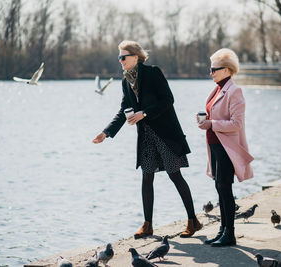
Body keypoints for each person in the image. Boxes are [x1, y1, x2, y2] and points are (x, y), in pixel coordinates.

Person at [93, 40, 202, 239]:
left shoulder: (153, 73)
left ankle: (192, 220)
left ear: (135, 56)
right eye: (119, 57)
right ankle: (148, 225)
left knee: (174, 175)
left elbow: (168, 100)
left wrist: (144, 113)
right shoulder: (126, 82)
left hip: (165, 133)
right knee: (146, 177)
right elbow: (123, 110)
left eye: (123, 57)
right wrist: (106, 132)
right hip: (145, 137)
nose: (121, 61)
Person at [197, 48, 254, 247]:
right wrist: (205, 122)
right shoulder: (217, 89)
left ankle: (230, 234)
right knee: (219, 186)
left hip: (227, 147)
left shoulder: (234, 91)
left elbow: (237, 124)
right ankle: (223, 230)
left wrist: (212, 124)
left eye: (214, 69)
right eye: (210, 69)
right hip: (214, 145)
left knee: (224, 187)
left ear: (228, 70)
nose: (211, 72)